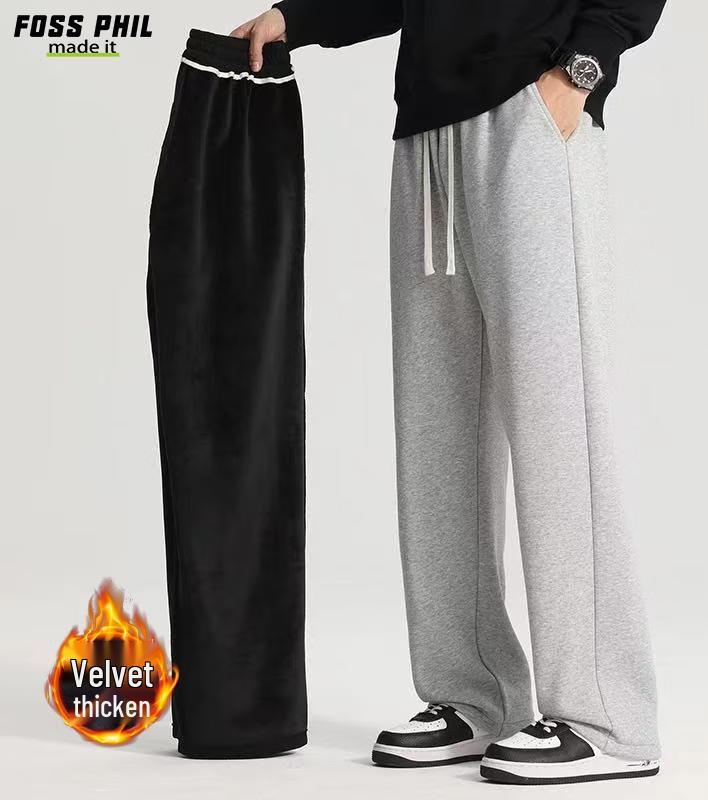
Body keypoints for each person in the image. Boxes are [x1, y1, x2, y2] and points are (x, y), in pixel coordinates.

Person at [232, 0, 665, 785]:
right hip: (429, 136)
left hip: (534, 115)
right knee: (438, 426)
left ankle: (606, 719)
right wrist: (295, 17)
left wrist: (580, 73)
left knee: (559, 422)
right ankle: (474, 694)